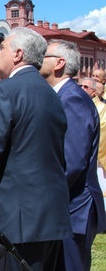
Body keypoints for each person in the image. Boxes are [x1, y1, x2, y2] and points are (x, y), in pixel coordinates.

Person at [0, 27, 73, 271]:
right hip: (51, 216)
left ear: (17, 54)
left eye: (2, 48)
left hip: (16, 220)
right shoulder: (52, 94)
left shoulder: (2, 90)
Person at [40, 39, 106, 271]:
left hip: (74, 207)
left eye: (44, 55)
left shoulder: (73, 99)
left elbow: (72, 162)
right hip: (66, 204)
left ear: (59, 63)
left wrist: (41, 196)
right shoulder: (62, 96)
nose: (38, 59)